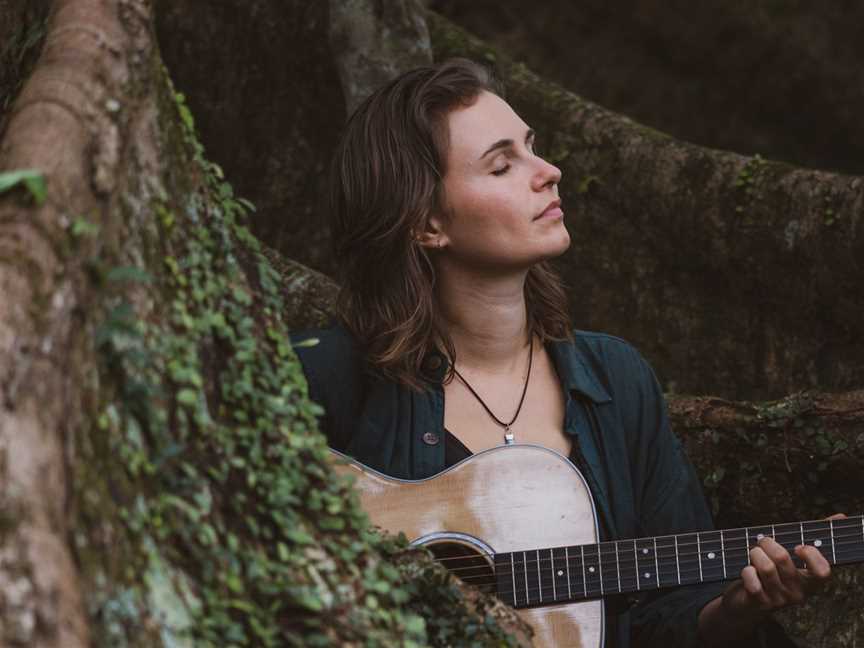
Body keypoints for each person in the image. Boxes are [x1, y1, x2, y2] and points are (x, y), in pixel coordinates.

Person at [292, 58, 834, 647]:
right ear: (425, 223)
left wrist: (734, 608)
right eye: (502, 165)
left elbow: (665, 613)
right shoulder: (324, 377)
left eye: (533, 147)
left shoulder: (618, 381)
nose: (549, 172)